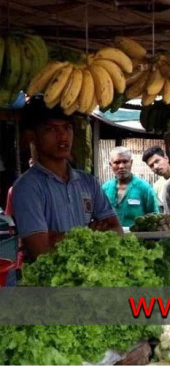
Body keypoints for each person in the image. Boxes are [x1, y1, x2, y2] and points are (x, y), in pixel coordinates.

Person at [11, 96, 121, 260]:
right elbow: (41, 250)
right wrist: (90, 232)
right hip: (49, 284)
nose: (62, 135)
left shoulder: (88, 182)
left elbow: (117, 231)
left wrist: (59, 237)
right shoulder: (27, 187)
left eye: (67, 127)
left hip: (88, 280)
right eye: (51, 129)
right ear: (31, 136)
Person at [102, 147, 159, 228]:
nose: (121, 166)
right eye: (117, 162)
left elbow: (155, 217)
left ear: (131, 162)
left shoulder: (144, 188)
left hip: (138, 239)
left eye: (125, 162)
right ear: (110, 165)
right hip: (110, 238)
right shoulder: (105, 189)